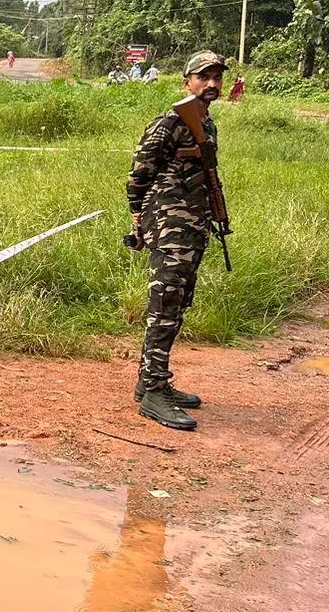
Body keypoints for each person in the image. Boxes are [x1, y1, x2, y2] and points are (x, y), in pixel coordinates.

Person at [124, 50, 228, 431]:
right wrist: (140, 219)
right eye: (204, 77)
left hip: (193, 226)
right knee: (164, 304)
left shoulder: (207, 125)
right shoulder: (168, 123)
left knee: (180, 303)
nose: (212, 84)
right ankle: (153, 392)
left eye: (217, 77)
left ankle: (152, 381)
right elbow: (138, 176)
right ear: (187, 81)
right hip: (169, 226)